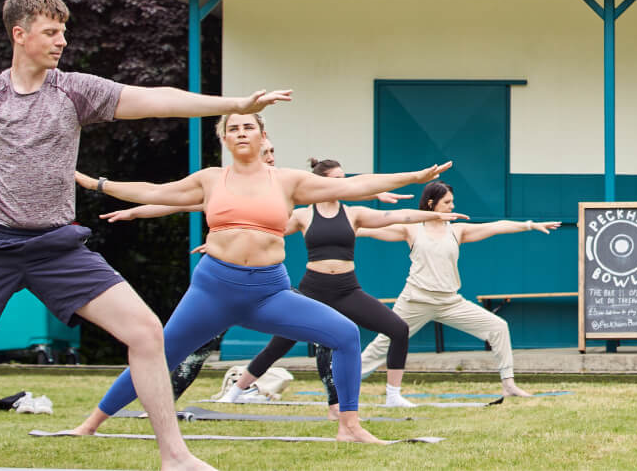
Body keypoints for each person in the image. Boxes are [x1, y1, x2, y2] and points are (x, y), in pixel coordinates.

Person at [0, 0, 291, 471]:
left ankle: (175, 457)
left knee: (147, 332)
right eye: (51, 32)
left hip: (56, 247)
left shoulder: (75, 90)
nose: (62, 41)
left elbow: (156, 100)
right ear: (20, 34)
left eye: (64, 32)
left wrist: (235, 102)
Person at [67, 112, 452, 443]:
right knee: (157, 353)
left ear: (262, 135)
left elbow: (352, 185)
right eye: (232, 128)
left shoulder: (288, 181)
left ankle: (349, 426)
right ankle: (91, 424)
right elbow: (158, 193)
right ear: (224, 138)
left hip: (268, 291)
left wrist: (413, 177)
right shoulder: (211, 179)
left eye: (248, 127)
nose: (240, 132)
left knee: (346, 335)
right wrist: (98, 184)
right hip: (213, 288)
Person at [98, 126, 414, 404]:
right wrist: (139, 211)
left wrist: (382, 190)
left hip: (264, 282)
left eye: (274, 151)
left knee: (319, 337)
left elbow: (342, 189)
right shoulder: (227, 182)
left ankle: (330, 406)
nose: (273, 156)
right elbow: (181, 200)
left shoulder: (282, 184)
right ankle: (171, 397)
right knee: (192, 347)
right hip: (224, 282)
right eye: (268, 151)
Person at [221, 156, 469, 415]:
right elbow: (265, 232)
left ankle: (393, 395)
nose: (344, 184)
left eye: (344, 179)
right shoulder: (303, 216)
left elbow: (399, 215)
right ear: (319, 183)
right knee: (279, 344)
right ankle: (236, 391)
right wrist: (226, 244)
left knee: (398, 329)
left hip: (347, 289)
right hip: (312, 291)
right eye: (336, 180)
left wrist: (436, 214)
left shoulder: (353, 214)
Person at [356, 180, 560, 400]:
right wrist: (337, 229)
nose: (452, 206)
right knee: (382, 344)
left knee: (498, 327)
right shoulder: (412, 229)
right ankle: (342, 382)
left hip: (450, 302)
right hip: (415, 301)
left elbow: (494, 227)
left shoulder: (457, 231)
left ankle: (509, 385)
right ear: (432, 203)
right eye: (447, 202)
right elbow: (366, 229)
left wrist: (529, 225)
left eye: (452, 201)